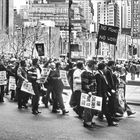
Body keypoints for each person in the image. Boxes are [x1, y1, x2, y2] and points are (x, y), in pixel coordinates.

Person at [81, 60, 97, 128]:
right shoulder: (85, 72)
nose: (96, 66)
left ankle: (89, 120)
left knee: (92, 107)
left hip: (92, 91)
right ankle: (87, 122)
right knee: (87, 108)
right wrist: (88, 91)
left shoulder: (91, 72)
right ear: (92, 65)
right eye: (95, 65)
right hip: (88, 92)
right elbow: (84, 83)